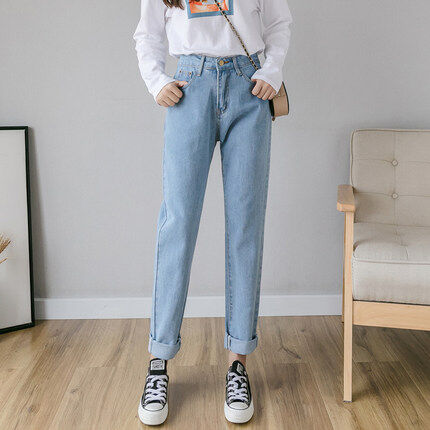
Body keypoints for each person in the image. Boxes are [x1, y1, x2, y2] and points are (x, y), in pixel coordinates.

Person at [133, 0, 292, 425]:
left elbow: (279, 22)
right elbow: (147, 33)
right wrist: (156, 81)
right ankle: (158, 362)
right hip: (190, 86)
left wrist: (272, 71)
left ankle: (238, 363)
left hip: (248, 86)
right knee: (178, 225)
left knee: (245, 227)